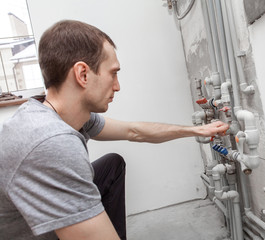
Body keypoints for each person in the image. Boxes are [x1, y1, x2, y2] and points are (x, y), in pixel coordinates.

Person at [0, 20, 229, 240]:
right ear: (82, 74)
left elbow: (134, 131)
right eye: (113, 73)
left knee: (112, 164)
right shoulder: (51, 141)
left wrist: (196, 130)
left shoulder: (60, 114)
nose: (117, 86)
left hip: (38, 214)